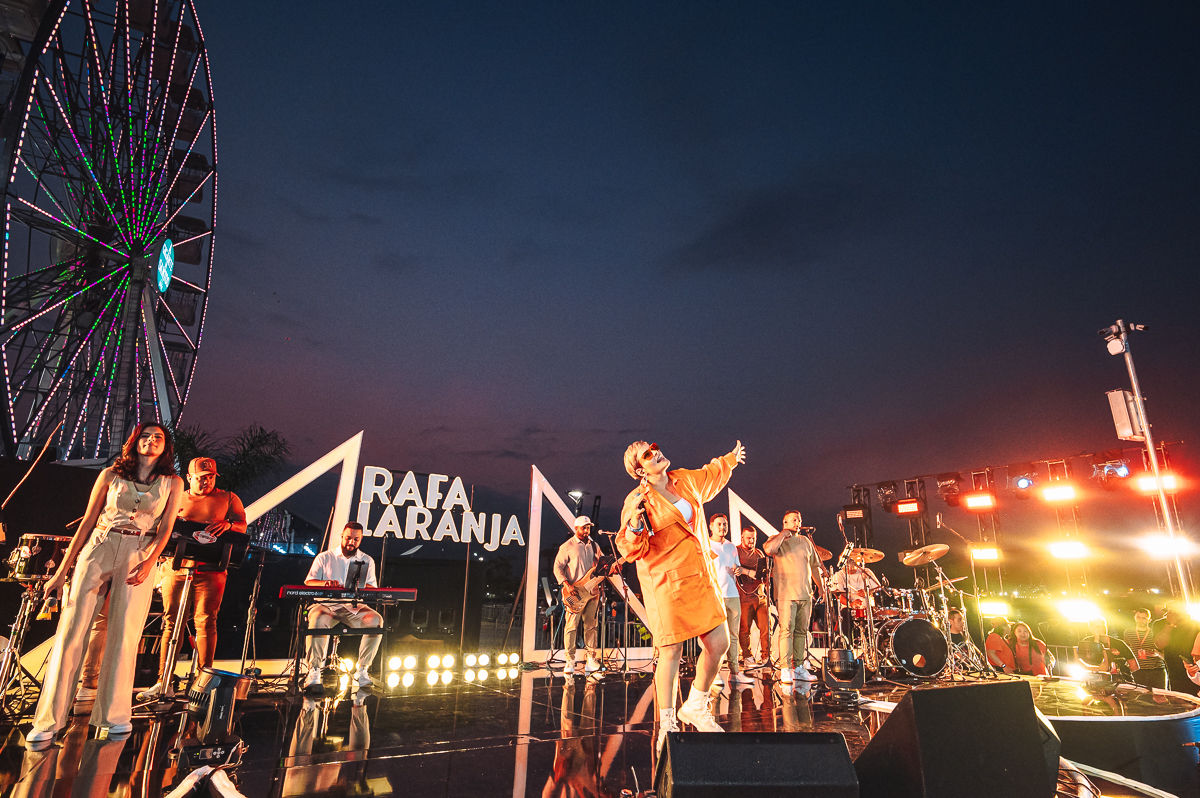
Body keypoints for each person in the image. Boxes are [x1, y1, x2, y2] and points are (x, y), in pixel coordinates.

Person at [26, 422, 184, 745]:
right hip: (100, 544)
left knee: (125, 634)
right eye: (145, 436)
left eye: (158, 437)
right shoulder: (111, 475)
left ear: (165, 446)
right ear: (135, 441)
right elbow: (87, 521)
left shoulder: (173, 482)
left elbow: (166, 527)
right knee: (71, 631)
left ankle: (114, 716)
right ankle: (48, 721)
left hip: (139, 549)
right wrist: (61, 571)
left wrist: (150, 561)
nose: (151, 441)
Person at [617, 439, 745, 751]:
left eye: (654, 447)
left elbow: (710, 474)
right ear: (640, 470)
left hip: (699, 575)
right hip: (666, 581)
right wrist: (634, 524)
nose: (656, 453)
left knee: (720, 642)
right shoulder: (637, 500)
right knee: (671, 650)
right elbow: (631, 549)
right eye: (648, 454)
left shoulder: (683, 479)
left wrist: (730, 458)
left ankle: (696, 705)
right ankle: (667, 723)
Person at [137, 457, 247, 701]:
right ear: (189, 478)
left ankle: (203, 682)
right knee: (171, 622)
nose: (206, 481)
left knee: (206, 622)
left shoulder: (229, 498)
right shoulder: (177, 497)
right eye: (201, 478)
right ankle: (163, 681)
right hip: (176, 569)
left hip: (211, 571)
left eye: (211, 477)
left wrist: (228, 524)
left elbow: (242, 525)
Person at [304, 523, 382, 692]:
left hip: (353, 606)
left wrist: (360, 586)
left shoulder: (367, 560)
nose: (351, 542)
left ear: (361, 539)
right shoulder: (324, 557)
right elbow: (309, 582)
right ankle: (314, 670)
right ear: (342, 536)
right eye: (348, 538)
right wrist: (326, 584)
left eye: (356, 539)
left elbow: (372, 587)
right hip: (326, 605)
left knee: (376, 620)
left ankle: (362, 670)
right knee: (317, 619)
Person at [764, 511, 827, 683]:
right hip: (786, 594)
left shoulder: (805, 541)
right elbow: (769, 550)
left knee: (801, 631)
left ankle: (798, 667)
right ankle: (785, 668)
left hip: (805, 594)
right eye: (793, 520)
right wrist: (783, 534)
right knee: (786, 630)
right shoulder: (777, 539)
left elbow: (814, 566)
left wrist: (821, 587)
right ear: (784, 522)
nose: (797, 522)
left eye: (799, 520)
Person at [553, 515, 604, 674]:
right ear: (576, 528)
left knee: (591, 626)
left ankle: (591, 659)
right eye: (584, 528)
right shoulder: (567, 546)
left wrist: (612, 567)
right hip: (575, 593)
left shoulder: (594, 546)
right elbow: (557, 567)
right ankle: (570, 660)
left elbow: (602, 565)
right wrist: (567, 585)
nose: (587, 530)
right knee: (571, 627)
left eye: (588, 527)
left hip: (592, 593)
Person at [708, 514, 752, 687]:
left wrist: (739, 570)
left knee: (734, 635)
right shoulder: (706, 545)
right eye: (719, 524)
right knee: (715, 638)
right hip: (715, 596)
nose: (722, 527)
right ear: (711, 527)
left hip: (733, 595)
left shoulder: (731, 546)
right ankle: (714, 673)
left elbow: (736, 567)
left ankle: (735, 672)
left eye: (724, 524)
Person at [736, 526, 771, 668]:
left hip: (760, 596)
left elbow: (763, 574)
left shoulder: (759, 553)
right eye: (748, 538)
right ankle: (747, 656)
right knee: (745, 629)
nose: (751, 541)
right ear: (742, 538)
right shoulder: (736, 551)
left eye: (753, 538)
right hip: (744, 597)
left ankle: (766, 656)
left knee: (766, 627)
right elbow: (735, 569)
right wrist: (747, 571)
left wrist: (766, 579)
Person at [1154, 601, 1200, 695]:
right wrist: (1170, 624)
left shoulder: (1194, 624)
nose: (1174, 614)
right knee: (1178, 697)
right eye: (1170, 611)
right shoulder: (1160, 624)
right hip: (1174, 671)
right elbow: (1160, 644)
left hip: (1194, 668)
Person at [1081, 618, 1138, 682]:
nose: (1102, 629)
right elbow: (1093, 660)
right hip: (1095, 679)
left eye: (1103, 626)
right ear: (1091, 628)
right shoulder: (1087, 642)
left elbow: (1134, 666)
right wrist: (1096, 638)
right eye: (1098, 627)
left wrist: (1123, 672)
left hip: (1118, 680)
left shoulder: (1119, 643)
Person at [1124, 608, 1166, 689]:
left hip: (1156, 670)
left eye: (1144, 618)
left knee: (1159, 694)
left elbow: (1165, 656)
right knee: (1139, 695)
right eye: (1138, 617)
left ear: (1149, 620)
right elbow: (1126, 650)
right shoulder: (1128, 632)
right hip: (1137, 670)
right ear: (1134, 618)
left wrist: (1157, 654)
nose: (1140, 620)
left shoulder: (1155, 633)